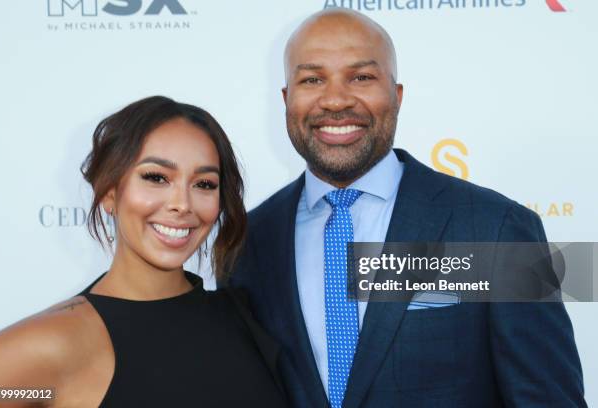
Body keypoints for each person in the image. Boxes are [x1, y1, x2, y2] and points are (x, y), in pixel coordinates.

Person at [227, 8, 586, 408]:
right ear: (286, 99)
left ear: (396, 96)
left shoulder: (496, 228)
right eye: (312, 79)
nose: (336, 100)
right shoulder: (247, 243)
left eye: (362, 77)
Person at [0, 96, 287, 407]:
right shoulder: (56, 343)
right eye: (156, 178)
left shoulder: (243, 316)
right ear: (108, 192)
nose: (182, 204)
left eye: (204, 184)